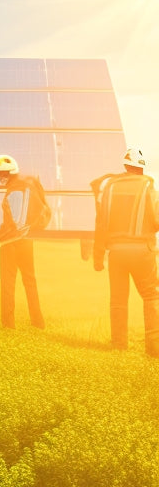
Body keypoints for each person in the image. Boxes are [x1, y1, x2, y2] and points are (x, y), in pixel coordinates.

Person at [90, 147, 159, 357]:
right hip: (141, 252)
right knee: (151, 297)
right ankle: (154, 349)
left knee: (118, 300)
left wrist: (98, 256)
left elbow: (100, 224)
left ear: (125, 166)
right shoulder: (148, 188)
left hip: (116, 253)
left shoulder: (109, 188)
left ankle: (119, 346)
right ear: (142, 168)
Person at [0, 154, 50, 330]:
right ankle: (38, 322)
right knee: (30, 281)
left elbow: (17, 221)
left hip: (11, 242)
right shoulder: (31, 182)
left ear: (11, 172)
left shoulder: (14, 190)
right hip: (27, 240)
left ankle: (8, 325)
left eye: (3, 174)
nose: (0, 178)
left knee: (8, 284)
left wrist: (3, 231)